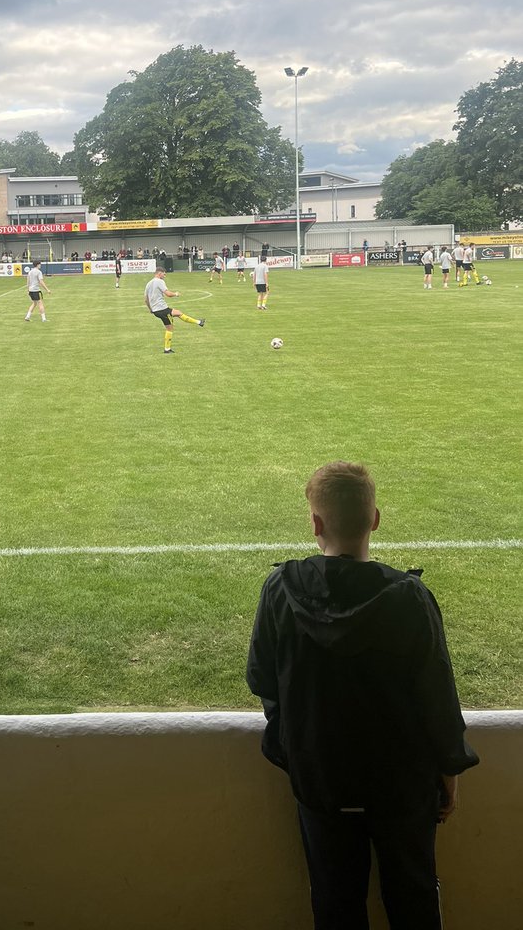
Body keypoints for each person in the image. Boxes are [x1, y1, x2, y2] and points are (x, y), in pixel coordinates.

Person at [247, 461, 479, 930]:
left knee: (334, 904)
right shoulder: (410, 598)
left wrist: (296, 751)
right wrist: (449, 768)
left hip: (320, 782)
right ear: (375, 519)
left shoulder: (279, 589)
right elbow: (436, 693)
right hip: (402, 786)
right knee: (413, 899)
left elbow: (262, 680)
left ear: (315, 523)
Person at [143, 267, 205, 354]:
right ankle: (167, 349)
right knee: (170, 328)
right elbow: (168, 294)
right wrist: (176, 294)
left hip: (156, 310)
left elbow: (146, 299)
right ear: (159, 273)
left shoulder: (148, 284)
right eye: (164, 274)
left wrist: (151, 309)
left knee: (178, 313)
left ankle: (199, 322)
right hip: (162, 309)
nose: (165, 276)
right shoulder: (160, 281)